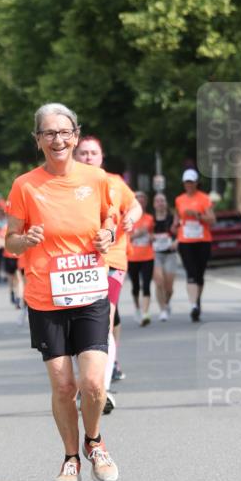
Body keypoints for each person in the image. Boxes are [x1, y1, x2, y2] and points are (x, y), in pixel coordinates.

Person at [5, 103, 119, 481]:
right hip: (45, 298)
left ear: (76, 135)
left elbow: (110, 220)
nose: (58, 140)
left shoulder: (97, 178)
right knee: (62, 386)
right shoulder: (25, 185)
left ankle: (95, 442)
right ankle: (71, 458)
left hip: (90, 293)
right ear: (38, 140)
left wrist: (109, 235)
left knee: (93, 384)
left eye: (64, 132)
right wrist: (25, 239)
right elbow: (10, 241)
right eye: (49, 133)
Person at [74, 135, 142, 412]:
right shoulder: (69, 183)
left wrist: (133, 216)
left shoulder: (114, 182)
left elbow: (135, 204)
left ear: (101, 158)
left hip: (112, 259)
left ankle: (102, 387)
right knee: (80, 325)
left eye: (93, 153)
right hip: (79, 262)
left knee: (106, 318)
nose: (88, 157)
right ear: (76, 156)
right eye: (84, 153)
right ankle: (86, 383)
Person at [171, 168, 216, 322]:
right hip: (185, 241)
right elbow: (176, 220)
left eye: (191, 182)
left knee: (199, 275)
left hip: (203, 240)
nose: (189, 185)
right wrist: (174, 227)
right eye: (186, 182)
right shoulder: (179, 200)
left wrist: (197, 215)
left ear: (196, 183)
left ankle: (197, 302)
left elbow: (212, 220)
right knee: (190, 273)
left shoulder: (204, 199)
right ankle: (193, 305)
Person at [127, 192, 155, 325]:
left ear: (146, 202)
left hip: (148, 256)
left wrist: (151, 237)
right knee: (135, 286)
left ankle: (145, 313)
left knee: (147, 285)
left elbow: (153, 235)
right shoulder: (128, 219)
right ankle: (138, 308)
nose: (141, 202)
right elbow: (125, 238)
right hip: (132, 257)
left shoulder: (150, 218)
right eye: (138, 199)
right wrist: (137, 234)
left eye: (143, 199)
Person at [152, 192, 177, 321]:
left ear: (166, 203)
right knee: (159, 282)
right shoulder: (151, 219)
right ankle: (162, 309)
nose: (160, 203)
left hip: (170, 254)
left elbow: (181, 232)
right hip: (156, 254)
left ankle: (167, 303)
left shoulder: (172, 218)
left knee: (169, 287)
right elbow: (146, 235)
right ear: (154, 204)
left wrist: (176, 242)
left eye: (163, 200)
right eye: (158, 201)